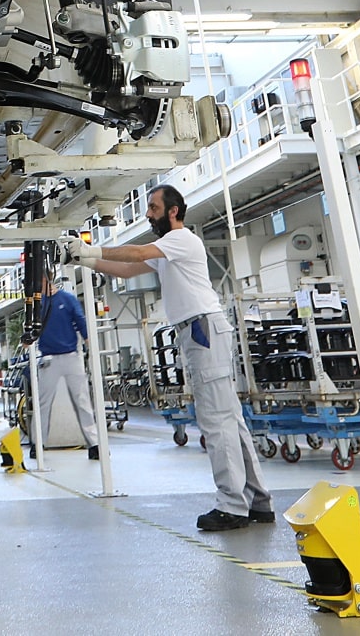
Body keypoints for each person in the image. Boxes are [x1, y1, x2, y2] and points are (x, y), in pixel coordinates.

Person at [67, 185, 273, 531]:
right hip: (200, 330)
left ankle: (232, 507)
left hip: (202, 330)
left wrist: (91, 247)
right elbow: (127, 270)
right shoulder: (167, 249)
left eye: (153, 207)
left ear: (173, 211)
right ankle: (258, 502)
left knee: (216, 423)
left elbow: (134, 254)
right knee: (230, 422)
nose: (148, 214)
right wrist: (84, 259)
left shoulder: (181, 240)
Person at [33, 274, 102, 459]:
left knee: (83, 401)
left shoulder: (67, 299)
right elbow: (31, 328)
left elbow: (81, 321)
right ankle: (38, 443)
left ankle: (94, 444)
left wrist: (89, 343)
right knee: (43, 403)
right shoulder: (36, 304)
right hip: (48, 359)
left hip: (71, 356)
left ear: (46, 280)